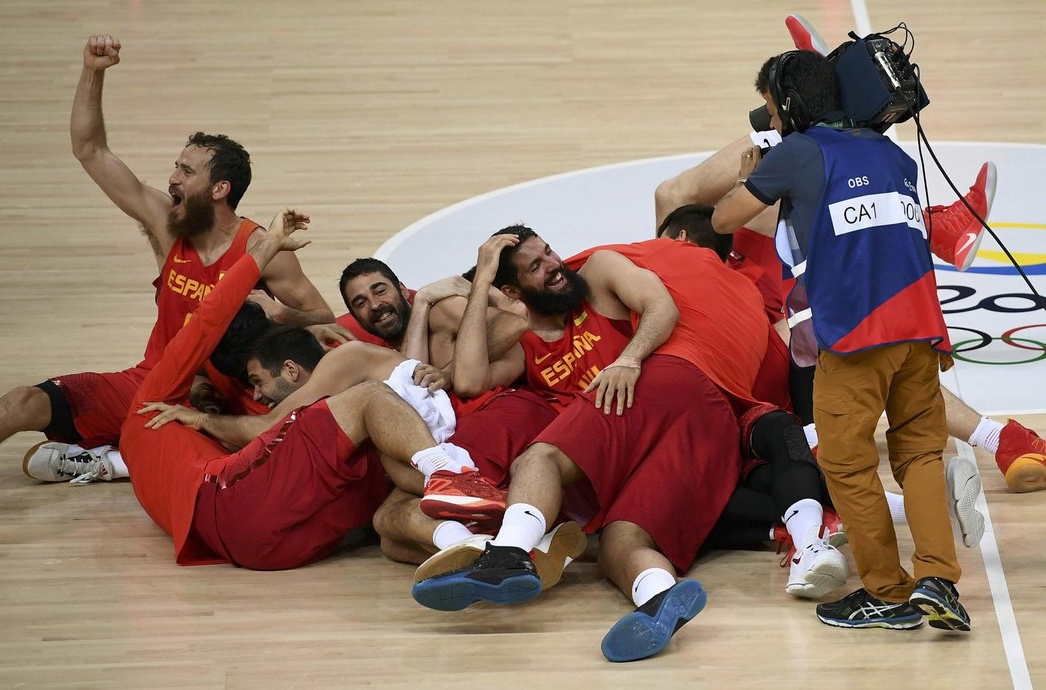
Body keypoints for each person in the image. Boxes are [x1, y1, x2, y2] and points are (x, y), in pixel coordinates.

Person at [413, 226, 786, 662]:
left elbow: (660, 306)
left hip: (658, 389)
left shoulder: (597, 272)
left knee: (539, 459)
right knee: (620, 545)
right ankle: (660, 598)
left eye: (549, 252)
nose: (554, 265)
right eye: (536, 266)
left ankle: (510, 554)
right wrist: (481, 281)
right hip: (678, 438)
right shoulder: (525, 341)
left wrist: (629, 358)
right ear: (512, 291)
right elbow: (470, 380)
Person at [8, 35, 344, 484]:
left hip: (229, 392)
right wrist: (93, 71)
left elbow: (322, 313)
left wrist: (277, 312)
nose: (172, 178)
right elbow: (91, 151)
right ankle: (124, 454)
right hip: (157, 379)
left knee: (282, 449)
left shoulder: (259, 247)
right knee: (21, 403)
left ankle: (117, 460)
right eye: (176, 167)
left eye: (186, 171)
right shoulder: (168, 226)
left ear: (220, 189)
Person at [712, 50, 969, 631]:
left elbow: (726, 218)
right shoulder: (893, 154)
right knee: (922, 454)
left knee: (848, 464)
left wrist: (758, 167)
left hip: (855, 338)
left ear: (794, 107)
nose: (772, 120)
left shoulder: (800, 153)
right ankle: (938, 579)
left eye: (774, 110)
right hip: (921, 332)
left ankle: (889, 593)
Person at [118, 208, 478, 569]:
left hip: (262, 549)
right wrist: (269, 244)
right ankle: (452, 479)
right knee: (368, 405)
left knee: (388, 527)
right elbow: (214, 310)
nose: (255, 394)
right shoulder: (158, 400)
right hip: (238, 502)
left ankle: (479, 549)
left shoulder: (148, 427)